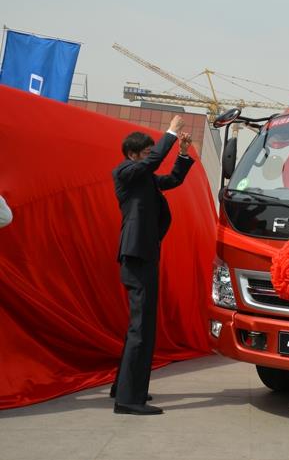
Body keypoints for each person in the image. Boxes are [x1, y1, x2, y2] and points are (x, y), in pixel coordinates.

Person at [110, 115, 194, 415]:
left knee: (141, 325)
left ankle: (124, 387)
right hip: (136, 255)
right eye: (145, 153)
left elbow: (171, 179)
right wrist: (170, 133)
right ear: (133, 155)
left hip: (144, 253)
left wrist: (182, 154)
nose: (149, 157)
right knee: (141, 328)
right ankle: (128, 400)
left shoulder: (142, 176)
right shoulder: (125, 172)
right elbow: (154, 162)